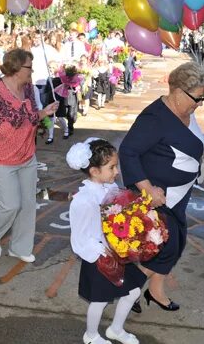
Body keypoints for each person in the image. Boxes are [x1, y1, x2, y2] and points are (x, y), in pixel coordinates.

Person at [119, 62, 204, 313]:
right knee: (166, 247)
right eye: (198, 97)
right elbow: (128, 152)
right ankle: (129, 291)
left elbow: (186, 146)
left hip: (179, 195)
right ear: (179, 91)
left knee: (175, 245)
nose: (200, 103)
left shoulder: (186, 112)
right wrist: (147, 189)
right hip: (157, 197)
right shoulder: (154, 118)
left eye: (203, 98)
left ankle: (154, 291)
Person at [0, 49, 59, 263]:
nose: (32, 70)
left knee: (27, 205)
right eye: (29, 66)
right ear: (16, 68)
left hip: (26, 157)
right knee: (10, 205)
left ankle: (20, 248)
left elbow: (30, 117)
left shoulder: (27, 88)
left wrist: (44, 112)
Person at [67, 139, 144, 344]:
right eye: (111, 167)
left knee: (134, 290)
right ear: (94, 171)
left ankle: (116, 329)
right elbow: (81, 236)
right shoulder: (83, 200)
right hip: (99, 257)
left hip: (117, 252)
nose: (116, 171)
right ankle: (91, 335)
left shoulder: (109, 188)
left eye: (116, 166)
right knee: (99, 300)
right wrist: (101, 252)